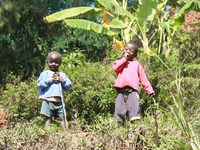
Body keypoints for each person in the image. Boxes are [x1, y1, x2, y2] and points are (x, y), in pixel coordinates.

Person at [113, 42, 155, 123]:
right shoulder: (120, 62)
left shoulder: (137, 65)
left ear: (135, 54)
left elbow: (144, 79)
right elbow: (116, 68)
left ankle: (135, 127)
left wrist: (150, 91)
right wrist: (124, 59)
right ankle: (120, 126)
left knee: (134, 110)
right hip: (121, 92)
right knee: (119, 110)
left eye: (131, 51)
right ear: (122, 51)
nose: (128, 52)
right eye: (126, 50)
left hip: (132, 91)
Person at [37, 51, 72, 130]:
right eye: (51, 62)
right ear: (47, 62)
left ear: (60, 63)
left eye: (56, 62)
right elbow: (39, 85)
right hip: (47, 100)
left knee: (62, 117)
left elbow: (68, 86)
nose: (53, 64)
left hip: (59, 101)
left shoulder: (62, 74)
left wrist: (63, 81)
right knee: (47, 117)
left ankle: (66, 132)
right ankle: (48, 132)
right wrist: (50, 80)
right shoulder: (44, 74)